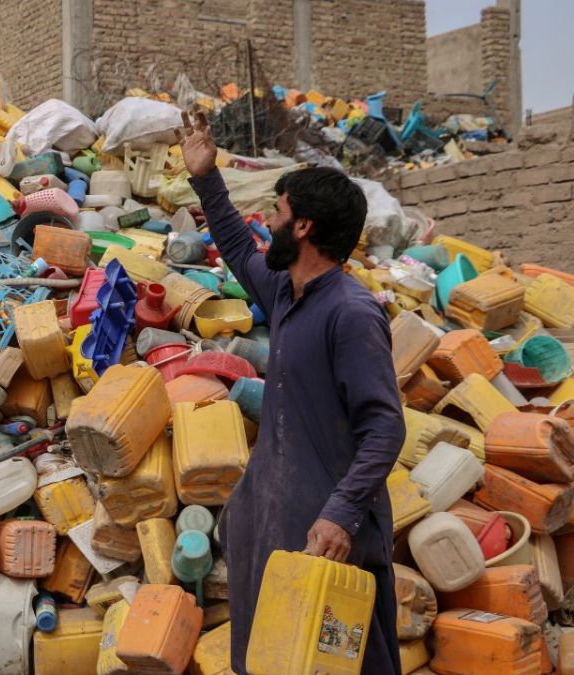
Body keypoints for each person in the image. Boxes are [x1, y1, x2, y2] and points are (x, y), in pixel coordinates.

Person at [175, 111, 405, 675]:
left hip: (328, 530)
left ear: (302, 226)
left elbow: (385, 426)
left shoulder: (350, 312)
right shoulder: (287, 293)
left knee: (343, 662)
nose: (267, 221)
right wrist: (205, 177)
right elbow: (236, 246)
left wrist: (340, 514)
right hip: (279, 517)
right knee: (275, 658)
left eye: (276, 212)